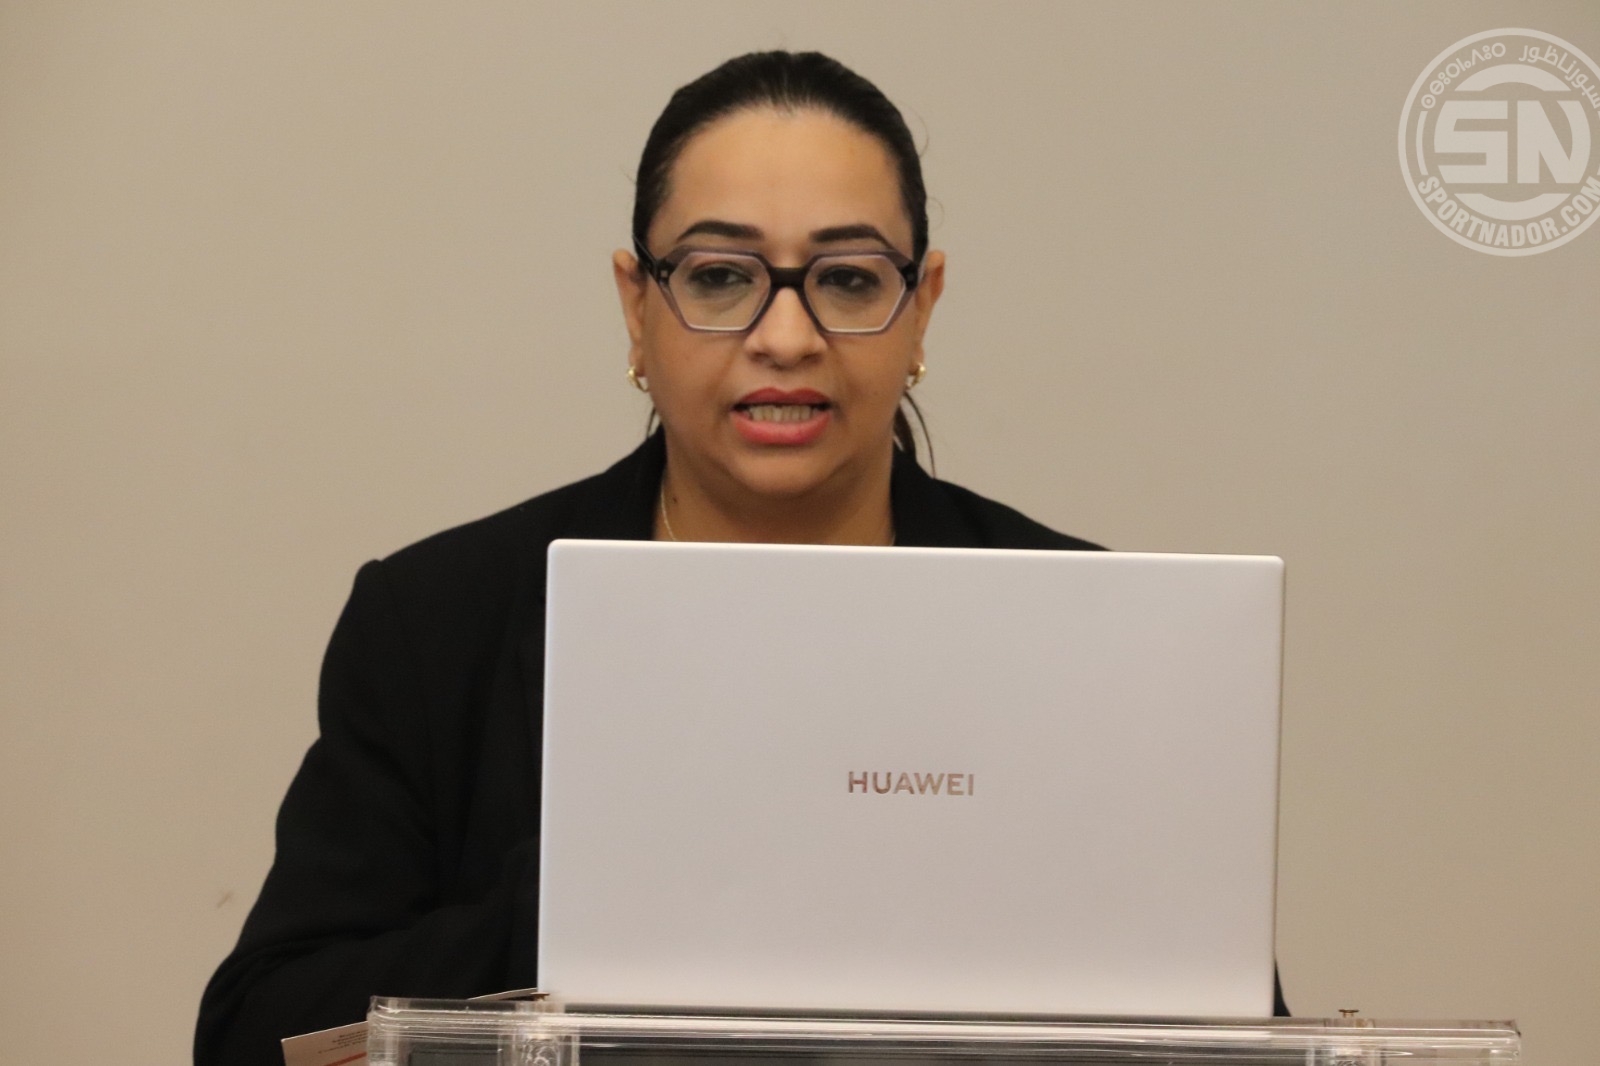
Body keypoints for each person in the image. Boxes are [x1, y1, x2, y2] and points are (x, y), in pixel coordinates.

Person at [195, 50, 1118, 1065]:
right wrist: (585, 898)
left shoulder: (1090, 636)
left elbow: (1202, 1009)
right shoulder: (436, 621)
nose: (786, 337)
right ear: (637, 307)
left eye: (849, 280)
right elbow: (257, 1035)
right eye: (719, 277)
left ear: (922, 306)